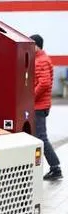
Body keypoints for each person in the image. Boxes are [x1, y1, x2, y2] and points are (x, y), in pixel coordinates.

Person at [31, 34, 61, 181]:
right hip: (41, 104)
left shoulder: (41, 61)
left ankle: (55, 167)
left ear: (36, 45)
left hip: (39, 105)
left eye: (31, 45)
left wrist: (31, 97)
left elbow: (44, 83)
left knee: (41, 137)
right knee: (38, 136)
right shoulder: (41, 59)